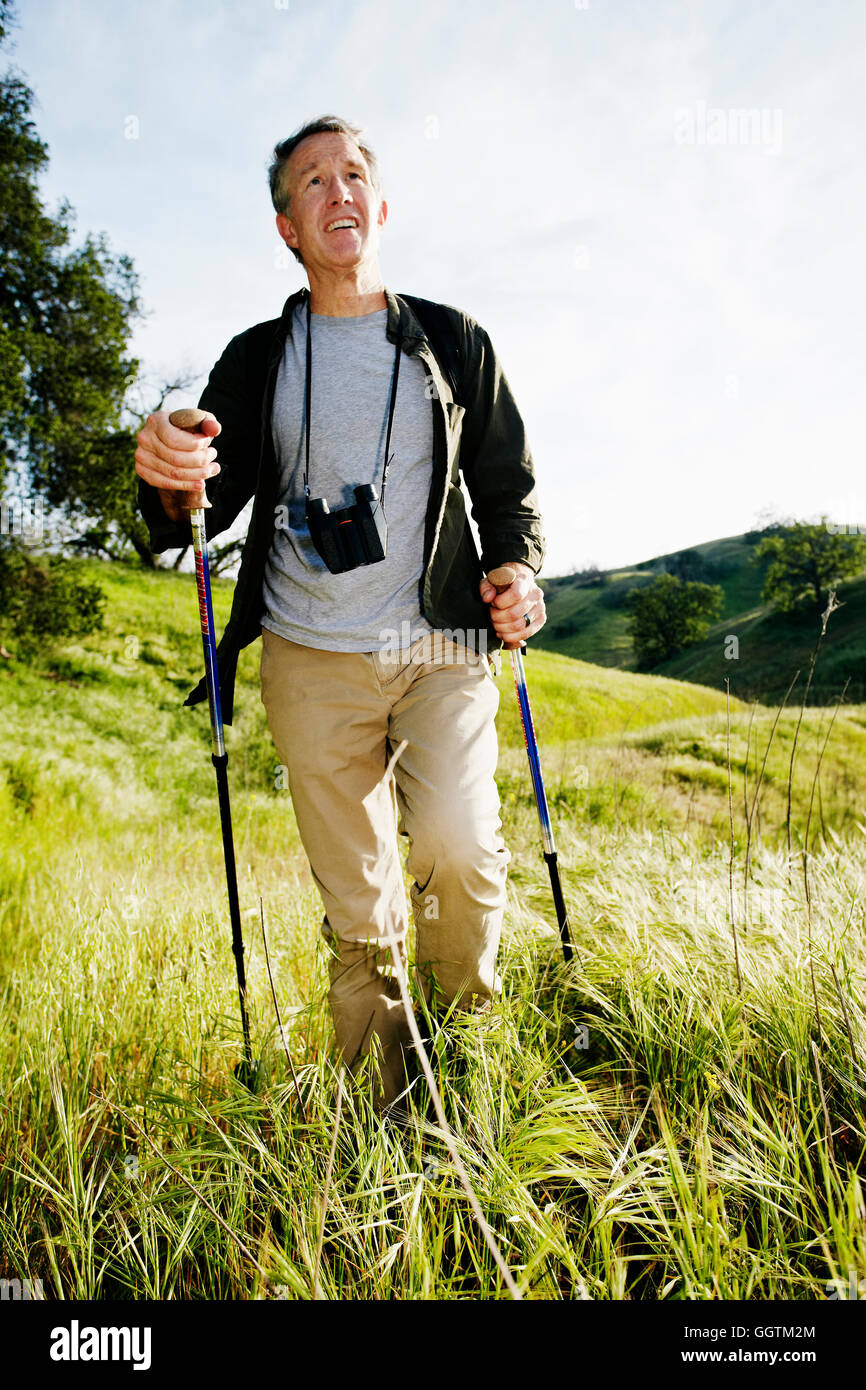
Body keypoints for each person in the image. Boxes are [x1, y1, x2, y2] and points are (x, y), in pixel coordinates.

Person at [134, 115, 547, 1112]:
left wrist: (519, 569)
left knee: (456, 855)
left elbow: (506, 485)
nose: (336, 191)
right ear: (288, 225)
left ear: (380, 205)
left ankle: (467, 1063)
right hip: (310, 657)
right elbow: (194, 511)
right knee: (362, 912)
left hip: (440, 646)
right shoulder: (258, 357)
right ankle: (383, 1114)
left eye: (352, 172)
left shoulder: (453, 342)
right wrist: (162, 473)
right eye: (311, 181)